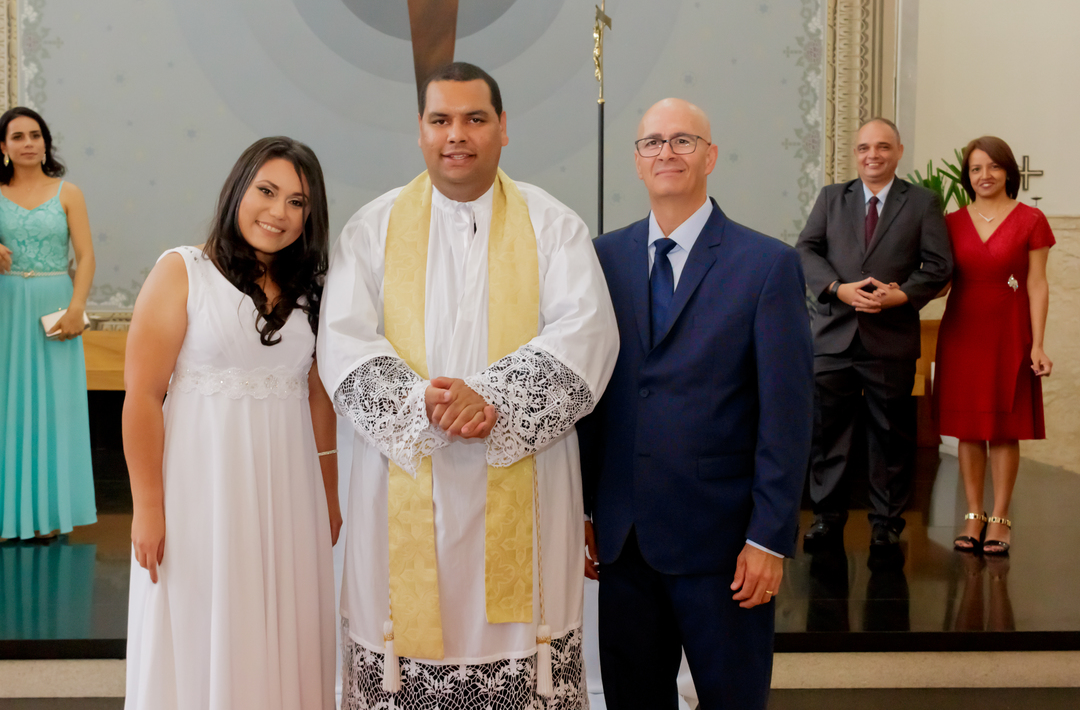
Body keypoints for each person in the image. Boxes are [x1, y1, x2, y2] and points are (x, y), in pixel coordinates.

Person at [319, 61, 618, 709]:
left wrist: (496, 399)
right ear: (420, 130)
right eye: (441, 120)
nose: (457, 134)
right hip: (402, 480)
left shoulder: (552, 224)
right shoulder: (372, 228)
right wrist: (418, 404)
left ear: (503, 127)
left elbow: (588, 333)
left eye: (475, 118)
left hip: (525, 480)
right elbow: (341, 341)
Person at [577, 98, 813, 710]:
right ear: (637, 161)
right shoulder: (600, 260)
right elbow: (590, 393)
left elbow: (787, 417)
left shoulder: (766, 265)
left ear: (710, 157)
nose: (667, 152)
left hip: (724, 545)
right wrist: (584, 507)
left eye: (683, 140)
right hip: (626, 540)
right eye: (653, 142)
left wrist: (769, 538)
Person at [122, 137, 341, 709]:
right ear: (237, 190)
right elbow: (142, 396)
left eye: (297, 201)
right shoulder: (182, 270)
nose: (278, 212)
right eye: (266, 191)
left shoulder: (313, 288)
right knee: (203, 624)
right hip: (200, 492)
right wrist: (148, 507)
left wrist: (329, 494)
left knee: (284, 628)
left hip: (289, 492)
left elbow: (317, 397)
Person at [796, 118, 953, 553]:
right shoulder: (832, 198)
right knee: (827, 433)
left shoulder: (922, 202)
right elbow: (805, 249)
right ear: (856, 153)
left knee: (890, 436)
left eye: (883, 147)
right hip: (834, 336)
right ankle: (827, 518)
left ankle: (887, 524)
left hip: (890, 337)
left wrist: (900, 296)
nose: (873, 155)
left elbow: (939, 265)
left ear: (898, 152)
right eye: (865, 147)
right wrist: (837, 288)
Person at [0, 106, 97, 541]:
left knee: (55, 407)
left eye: (35, 135)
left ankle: (48, 515)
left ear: (45, 143)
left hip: (56, 304)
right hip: (3, 303)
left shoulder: (69, 193)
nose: (28, 143)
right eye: (18, 136)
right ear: (3, 147)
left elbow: (86, 256)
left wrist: (76, 307)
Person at [935, 136, 1053, 555]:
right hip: (963, 332)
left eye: (993, 166)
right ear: (967, 176)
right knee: (969, 428)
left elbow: (1037, 284)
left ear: (1008, 171)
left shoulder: (1031, 219)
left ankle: (1000, 517)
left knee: (1004, 429)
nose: (984, 175)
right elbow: (941, 282)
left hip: (1010, 333)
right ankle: (973, 513)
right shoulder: (950, 222)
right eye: (975, 169)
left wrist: (1038, 344)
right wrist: (900, 290)